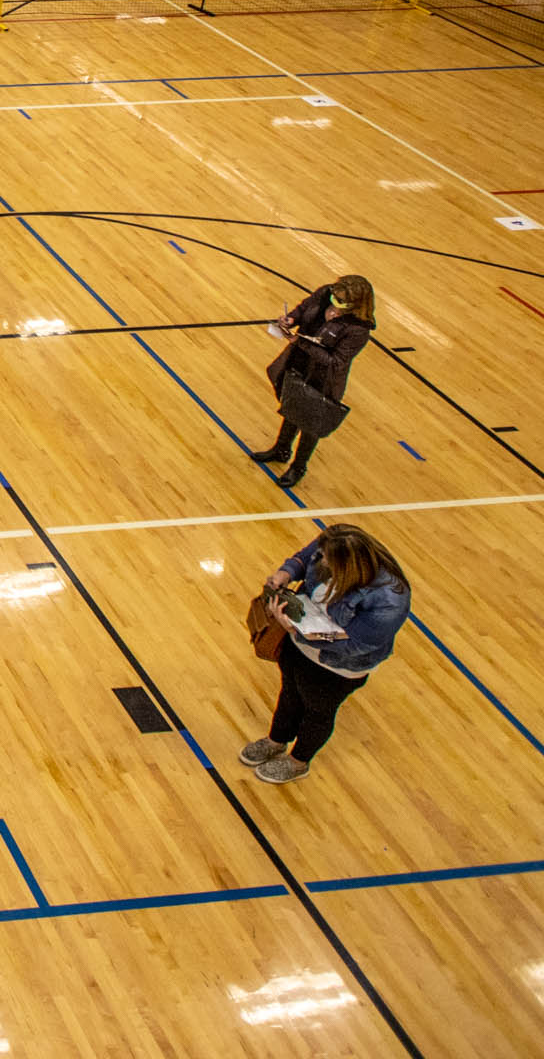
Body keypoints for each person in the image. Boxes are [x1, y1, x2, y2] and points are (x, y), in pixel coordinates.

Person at [242, 525, 412, 785]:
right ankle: (276, 741)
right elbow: (303, 558)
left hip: (338, 666)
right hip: (298, 644)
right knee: (290, 694)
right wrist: (286, 572)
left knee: (317, 710)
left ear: (348, 564)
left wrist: (298, 632)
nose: (321, 562)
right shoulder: (331, 545)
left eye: (328, 562)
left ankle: (299, 761)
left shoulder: (389, 598)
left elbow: (355, 644)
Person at [252, 275, 375, 488]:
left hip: (324, 378)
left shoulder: (359, 330)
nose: (334, 300)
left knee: (311, 423)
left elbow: (335, 361)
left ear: (355, 304)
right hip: (299, 361)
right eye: (334, 296)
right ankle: (281, 449)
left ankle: (298, 467)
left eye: (341, 300)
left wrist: (301, 342)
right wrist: (291, 319)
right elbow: (304, 308)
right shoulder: (326, 293)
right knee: (292, 406)